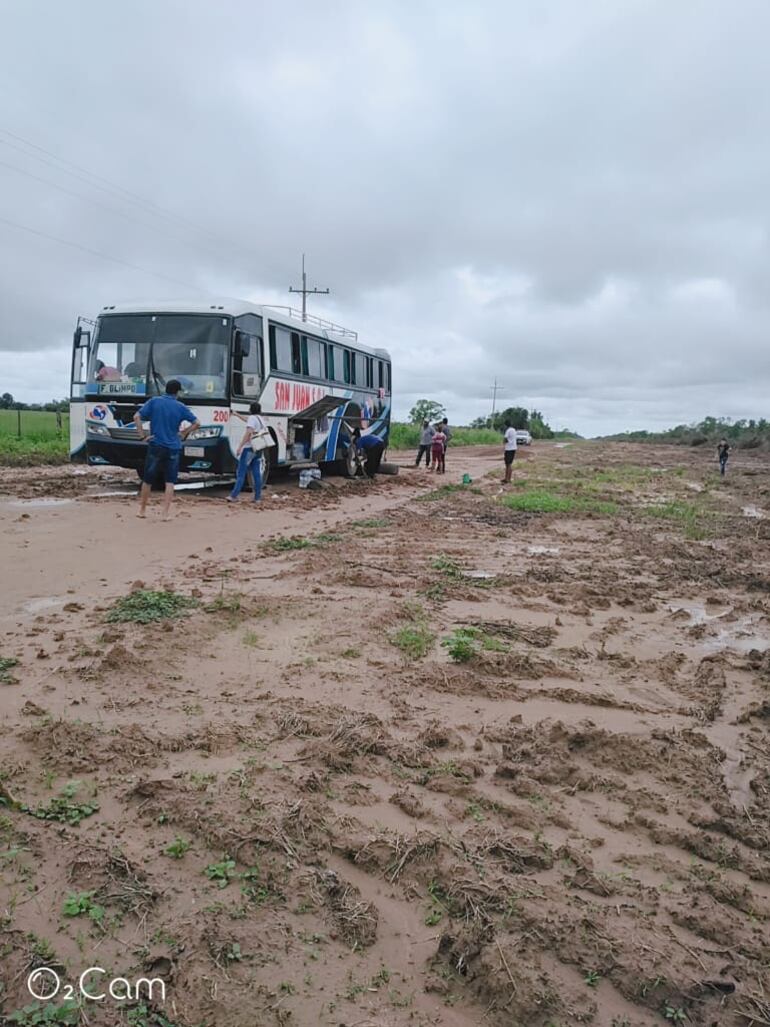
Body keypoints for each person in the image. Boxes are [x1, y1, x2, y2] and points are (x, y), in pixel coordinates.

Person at [133, 380, 199, 520]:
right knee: (170, 481)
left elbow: (137, 416)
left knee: (148, 479)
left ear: (166, 389)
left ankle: (142, 510)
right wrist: (184, 433)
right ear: (177, 392)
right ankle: (165, 513)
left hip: (156, 444)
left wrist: (142, 436)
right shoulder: (180, 407)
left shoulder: (154, 401)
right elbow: (197, 423)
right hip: (173, 446)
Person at [229, 402, 267, 503]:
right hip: (258, 448)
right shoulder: (261, 419)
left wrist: (240, 446)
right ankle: (257, 497)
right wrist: (236, 414)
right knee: (256, 473)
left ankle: (234, 495)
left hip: (249, 448)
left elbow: (248, 432)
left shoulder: (252, 418)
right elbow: (247, 420)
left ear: (250, 410)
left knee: (241, 472)